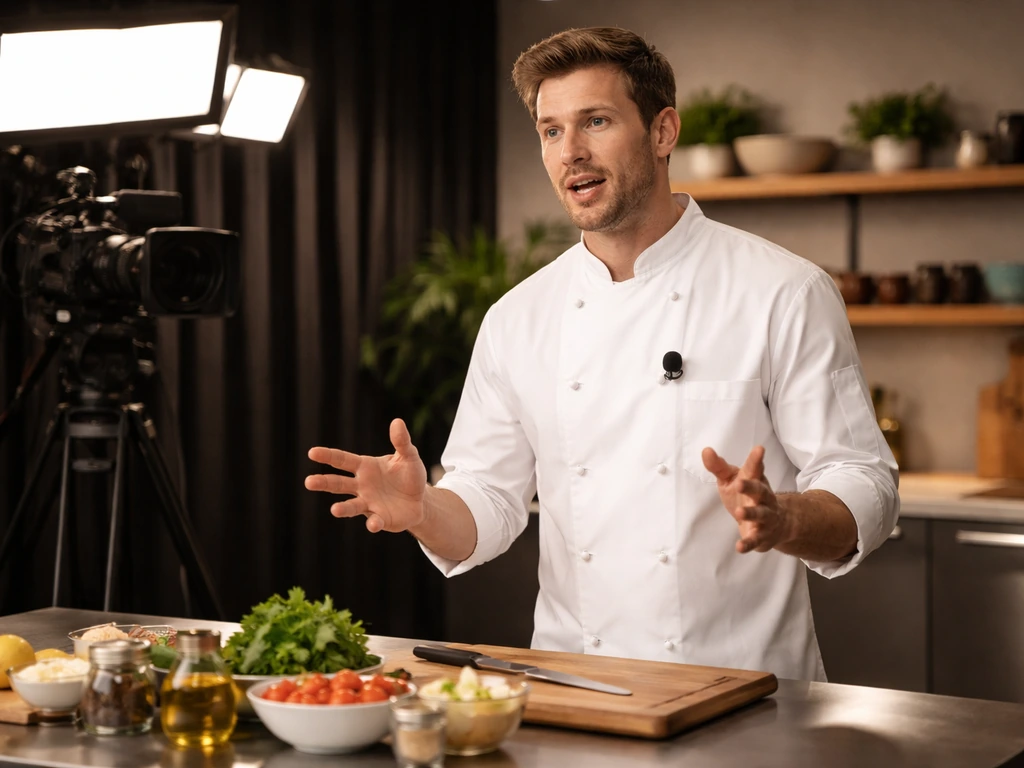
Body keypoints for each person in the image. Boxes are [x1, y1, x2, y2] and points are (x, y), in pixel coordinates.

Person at [305, 26, 898, 681]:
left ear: (663, 131)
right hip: (575, 686)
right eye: (551, 130)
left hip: (744, 690)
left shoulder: (782, 291)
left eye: (596, 121)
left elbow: (863, 480)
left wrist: (783, 518)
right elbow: (488, 497)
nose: (571, 152)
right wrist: (424, 512)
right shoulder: (518, 317)